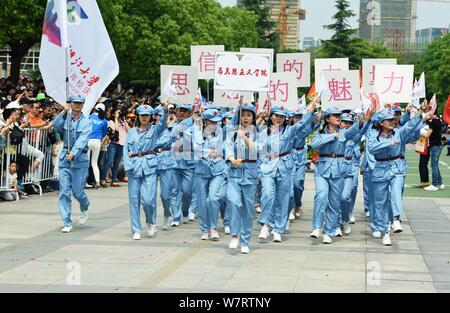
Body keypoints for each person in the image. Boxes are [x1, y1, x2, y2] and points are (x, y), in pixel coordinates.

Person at [367, 104, 429, 245]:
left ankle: (396, 219)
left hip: (397, 168)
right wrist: (389, 143)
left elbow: (410, 126)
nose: (393, 121)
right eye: (389, 119)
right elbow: (371, 148)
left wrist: (420, 113)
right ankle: (385, 231)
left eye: (393, 119)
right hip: (380, 169)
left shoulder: (398, 132)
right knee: (380, 202)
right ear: (381, 122)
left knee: (396, 192)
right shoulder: (372, 134)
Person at [257, 102, 316, 243]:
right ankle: (265, 224)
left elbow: (301, 124)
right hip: (267, 166)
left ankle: (278, 229)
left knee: (283, 198)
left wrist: (311, 110)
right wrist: (258, 169)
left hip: (285, 166)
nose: (279, 119)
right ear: (271, 116)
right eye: (276, 115)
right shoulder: (263, 132)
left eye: (282, 117)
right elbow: (258, 151)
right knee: (267, 195)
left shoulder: (289, 131)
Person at [310, 106, 366, 244]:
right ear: (327, 118)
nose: (338, 117)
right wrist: (332, 136)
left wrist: (360, 123)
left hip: (339, 170)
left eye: (338, 115)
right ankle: (317, 227)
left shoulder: (344, 132)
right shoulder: (320, 132)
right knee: (321, 196)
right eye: (334, 115)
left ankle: (329, 232)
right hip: (322, 169)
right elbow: (314, 144)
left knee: (335, 202)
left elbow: (352, 131)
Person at [123, 104, 168, 240]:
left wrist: (165, 110)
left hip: (149, 166)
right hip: (134, 167)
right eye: (142, 115)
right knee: (134, 199)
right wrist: (128, 166)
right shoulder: (131, 131)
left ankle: (151, 220)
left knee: (148, 199)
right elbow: (126, 150)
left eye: (147, 115)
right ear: (138, 116)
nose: (144, 118)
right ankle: (136, 229)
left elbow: (163, 123)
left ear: (150, 117)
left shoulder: (154, 130)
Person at [51, 96, 93, 233]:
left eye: (80, 103)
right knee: (64, 192)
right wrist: (63, 112)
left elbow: (82, 140)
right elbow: (55, 125)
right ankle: (67, 222)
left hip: (79, 160)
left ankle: (85, 205)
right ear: (70, 103)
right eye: (75, 103)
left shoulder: (87, 122)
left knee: (78, 192)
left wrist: (74, 153)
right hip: (65, 159)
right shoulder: (65, 118)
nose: (77, 105)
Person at [190, 109, 227, 241]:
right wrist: (209, 153)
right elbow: (196, 149)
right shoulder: (197, 131)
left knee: (213, 198)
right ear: (205, 121)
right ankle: (205, 229)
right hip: (202, 168)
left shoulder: (221, 131)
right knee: (202, 201)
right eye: (212, 122)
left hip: (218, 169)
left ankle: (213, 227)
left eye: (217, 122)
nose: (215, 124)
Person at [226, 104, 258, 253]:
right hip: (234, 172)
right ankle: (234, 235)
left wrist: (244, 137)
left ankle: (245, 240)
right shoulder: (232, 132)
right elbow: (227, 148)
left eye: (249, 115)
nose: (246, 118)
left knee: (248, 209)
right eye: (243, 115)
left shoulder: (259, 132)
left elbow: (255, 150)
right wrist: (233, 159)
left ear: (253, 117)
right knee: (233, 202)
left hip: (250, 174)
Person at [88, 103, 108, 189]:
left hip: (88, 140)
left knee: (86, 162)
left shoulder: (89, 117)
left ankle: (83, 182)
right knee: (94, 163)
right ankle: (97, 182)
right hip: (97, 141)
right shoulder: (104, 120)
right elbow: (104, 134)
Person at [423, 113, 445, 191]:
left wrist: (421, 133)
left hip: (435, 145)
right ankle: (440, 182)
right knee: (435, 164)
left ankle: (434, 184)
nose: (428, 114)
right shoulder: (438, 121)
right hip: (438, 144)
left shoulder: (434, 122)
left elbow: (427, 134)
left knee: (434, 165)